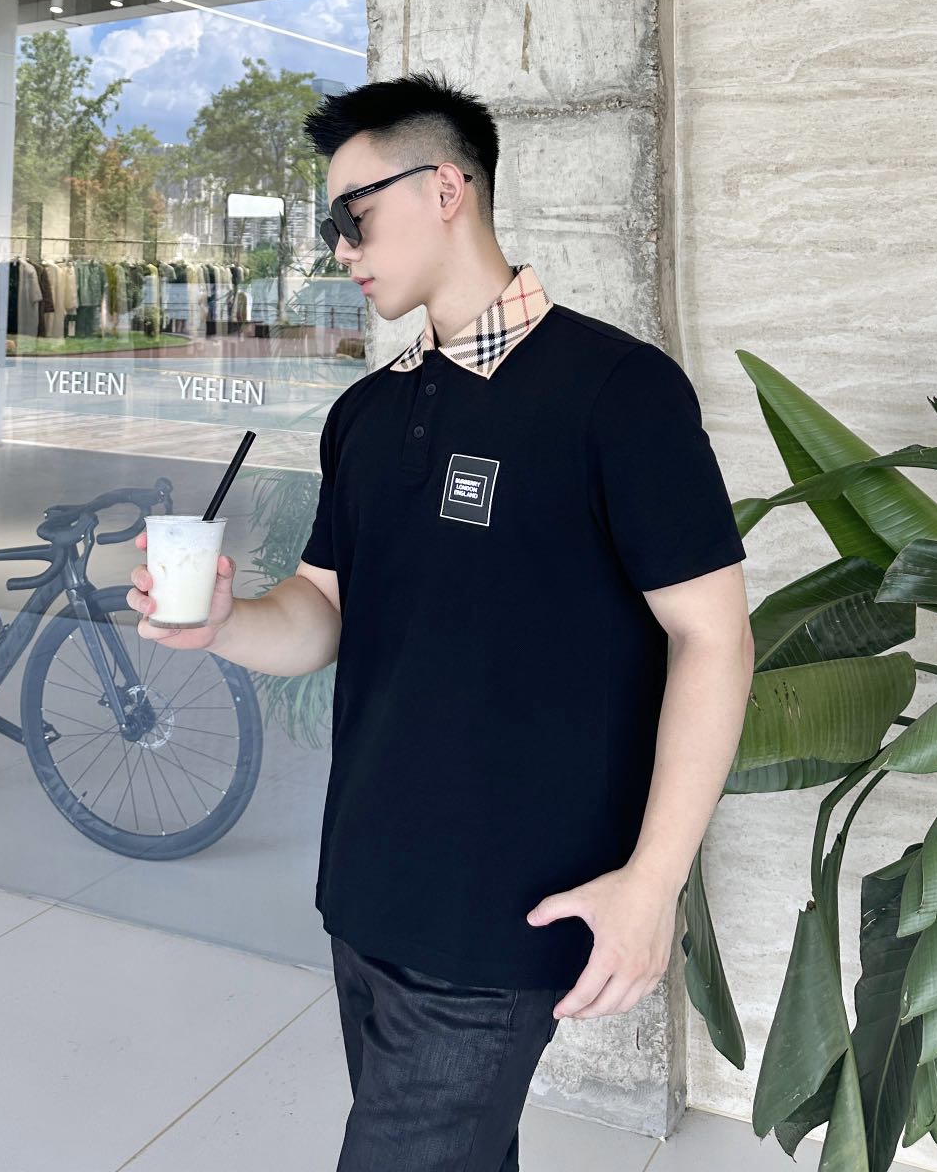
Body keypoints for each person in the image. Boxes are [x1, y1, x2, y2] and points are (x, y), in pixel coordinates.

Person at [129, 70, 754, 1171]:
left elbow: (715, 636)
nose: (339, 249)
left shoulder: (618, 390)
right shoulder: (367, 414)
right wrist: (222, 623)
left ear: (447, 188)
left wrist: (652, 884)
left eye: (353, 215)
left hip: (504, 910)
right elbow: (321, 610)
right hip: (366, 891)